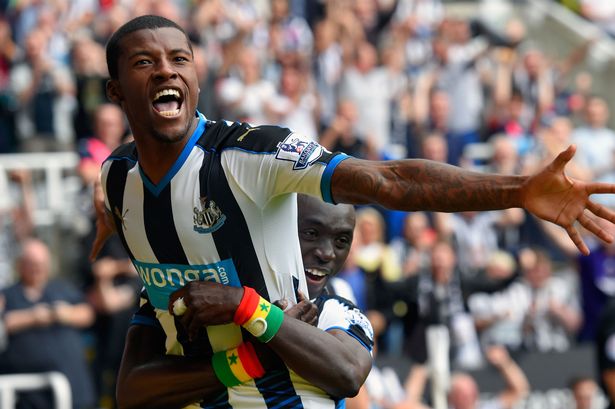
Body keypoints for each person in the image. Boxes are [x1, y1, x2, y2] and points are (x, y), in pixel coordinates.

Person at [92, 14, 615, 408]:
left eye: (180, 59)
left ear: (196, 78)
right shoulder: (118, 183)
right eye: (145, 62)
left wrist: (517, 190)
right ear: (117, 91)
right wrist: (246, 358)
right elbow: (133, 391)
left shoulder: (248, 155)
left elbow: (387, 180)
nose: (166, 70)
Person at [114, 194, 373, 408]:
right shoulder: (188, 294)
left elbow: (348, 375)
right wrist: (255, 358)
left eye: (341, 240)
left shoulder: (335, 309)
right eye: (311, 233)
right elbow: (131, 394)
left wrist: (244, 306)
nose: (327, 253)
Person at [0, 238, 96, 409]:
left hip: (73, 391)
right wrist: (33, 317)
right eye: (33, 263)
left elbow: (87, 314)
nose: (38, 268)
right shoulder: (8, 295)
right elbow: (4, 323)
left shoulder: (63, 289)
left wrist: (63, 314)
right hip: (26, 394)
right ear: (21, 265)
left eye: (42, 263)